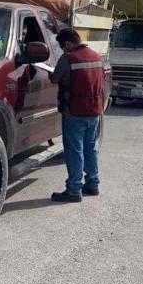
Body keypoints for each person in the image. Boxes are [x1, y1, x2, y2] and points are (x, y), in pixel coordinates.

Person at [49, 28, 104, 203]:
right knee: (91, 148)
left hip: (74, 111)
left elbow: (55, 78)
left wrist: (52, 71)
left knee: (74, 151)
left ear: (67, 44)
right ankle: (93, 184)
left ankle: (74, 190)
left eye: (62, 47)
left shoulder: (68, 58)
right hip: (94, 110)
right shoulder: (96, 56)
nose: (63, 50)